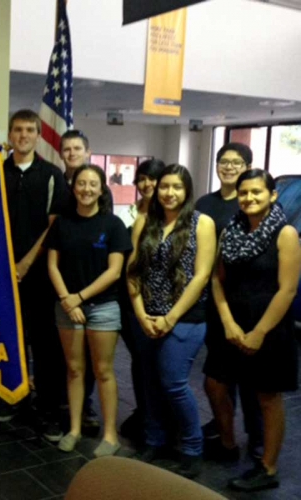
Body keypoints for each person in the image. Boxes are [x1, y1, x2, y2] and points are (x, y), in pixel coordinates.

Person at [211, 169, 300, 492]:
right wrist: (229, 322)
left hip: (270, 326)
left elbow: (287, 290)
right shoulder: (230, 231)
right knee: (218, 386)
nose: (248, 198)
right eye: (243, 193)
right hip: (233, 323)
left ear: (272, 195)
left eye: (256, 192)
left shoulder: (285, 233)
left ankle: (268, 468)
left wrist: (259, 332)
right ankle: (229, 443)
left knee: (267, 398)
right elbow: (216, 281)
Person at [127, 165, 216, 479]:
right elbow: (133, 272)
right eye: (164, 186)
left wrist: (170, 317)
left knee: (174, 384)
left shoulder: (201, 223)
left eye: (177, 187)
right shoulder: (144, 223)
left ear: (187, 190)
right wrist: (140, 314)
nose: (169, 193)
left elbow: (202, 275)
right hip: (146, 316)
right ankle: (155, 440)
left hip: (185, 319)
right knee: (150, 383)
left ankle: (192, 446)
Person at [0, 109, 68, 443]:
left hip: (39, 277)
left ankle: (49, 411)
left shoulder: (52, 174)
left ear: (38, 135)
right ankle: (14, 398)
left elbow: (54, 226)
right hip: (1, 275)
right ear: (9, 134)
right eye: (17, 129)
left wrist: (24, 263)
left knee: (45, 345)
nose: (23, 135)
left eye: (29, 130)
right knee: (10, 340)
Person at [47, 165, 131, 455]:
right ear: (73, 188)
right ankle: (74, 429)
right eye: (81, 183)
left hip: (103, 307)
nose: (86, 189)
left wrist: (78, 297)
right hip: (67, 307)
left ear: (101, 188)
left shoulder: (113, 225)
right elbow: (52, 266)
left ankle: (110, 436)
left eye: (93, 184)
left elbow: (114, 271)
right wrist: (67, 299)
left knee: (103, 370)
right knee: (73, 370)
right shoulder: (62, 224)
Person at [198, 143, 264, 462]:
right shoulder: (204, 203)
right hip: (211, 299)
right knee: (219, 372)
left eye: (236, 162)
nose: (228, 167)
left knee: (251, 375)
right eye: (223, 161)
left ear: (247, 166)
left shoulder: (249, 205)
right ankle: (224, 422)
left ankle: (257, 435)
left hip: (245, 301)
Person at [116, 159, 166, 443]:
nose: (148, 184)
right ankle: (144, 411)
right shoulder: (129, 213)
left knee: (156, 363)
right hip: (127, 297)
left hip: (155, 301)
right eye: (143, 179)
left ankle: (157, 420)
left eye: (153, 179)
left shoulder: (170, 216)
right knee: (139, 360)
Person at [58, 129, 100, 434]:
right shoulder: (55, 183)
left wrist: (83, 295)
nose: (72, 153)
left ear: (87, 151)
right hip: (61, 280)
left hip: (93, 287)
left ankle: (86, 406)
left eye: (77, 148)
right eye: (67, 149)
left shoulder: (98, 189)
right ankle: (66, 404)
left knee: (91, 355)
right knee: (67, 354)